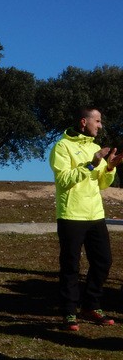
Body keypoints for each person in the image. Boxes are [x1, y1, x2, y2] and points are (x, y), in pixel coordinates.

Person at [49, 107, 121, 331]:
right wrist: (91, 164)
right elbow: (64, 180)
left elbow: (102, 184)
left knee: (103, 261)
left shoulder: (95, 147)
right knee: (70, 265)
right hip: (71, 214)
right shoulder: (62, 147)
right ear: (83, 122)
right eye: (97, 121)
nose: (100, 125)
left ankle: (91, 306)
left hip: (95, 214)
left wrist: (109, 167)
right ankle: (69, 311)